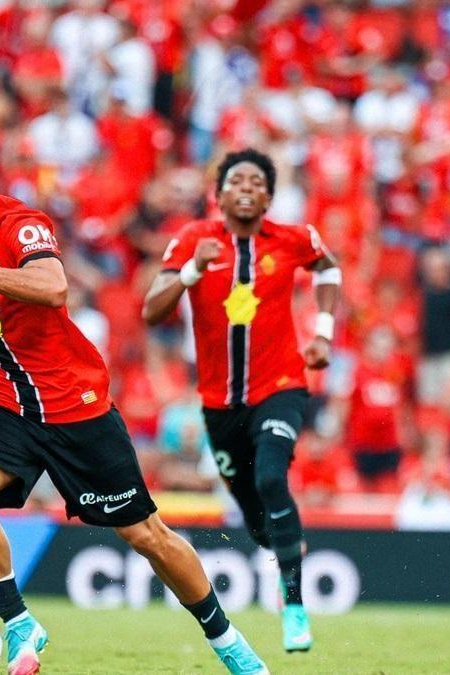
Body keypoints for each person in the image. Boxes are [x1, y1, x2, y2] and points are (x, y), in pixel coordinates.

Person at [0, 125, 268, 675]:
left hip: (75, 407)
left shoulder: (24, 229)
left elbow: (53, 287)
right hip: (8, 406)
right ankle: (20, 623)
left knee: (147, 537)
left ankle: (227, 640)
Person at [142, 148, 341, 653]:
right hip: (219, 404)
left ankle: (293, 606)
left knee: (273, 476)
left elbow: (329, 269)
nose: (248, 186)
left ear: (269, 196)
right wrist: (190, 273)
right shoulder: (194, 239)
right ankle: (283, 551)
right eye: (237, 179)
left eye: (258, 180)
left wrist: (323, 332)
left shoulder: (294, 238)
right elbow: (151, 310)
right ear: (220, 193)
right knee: (256, 519)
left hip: (281, 387)